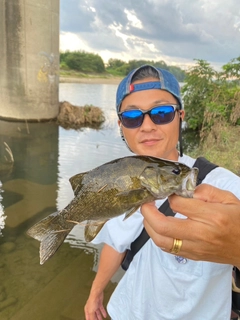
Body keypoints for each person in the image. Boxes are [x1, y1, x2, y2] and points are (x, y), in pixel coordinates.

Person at [84, 65, 240, 320]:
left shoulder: (226, 189)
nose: (146, 126)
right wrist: (95, 293)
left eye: (161, 112)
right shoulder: (121, 180)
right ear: (122, 126)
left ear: (180, 116)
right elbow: (116, 241)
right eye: (132, 117)